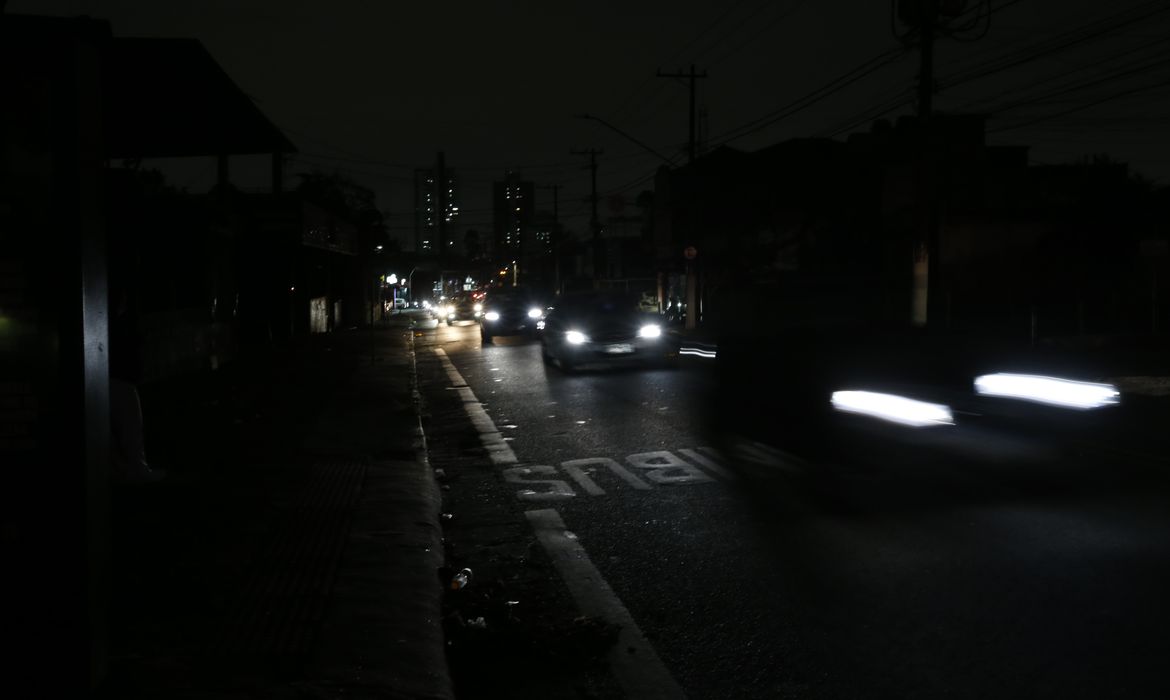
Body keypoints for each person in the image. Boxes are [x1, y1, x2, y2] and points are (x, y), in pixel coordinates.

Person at [109, 286, 165, 484]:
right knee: (131, 429)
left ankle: (124, 469)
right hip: (122, 381)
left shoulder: (111, 324)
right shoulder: (119, 325)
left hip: (115, 380)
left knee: (116, 431)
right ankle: (136, 469)